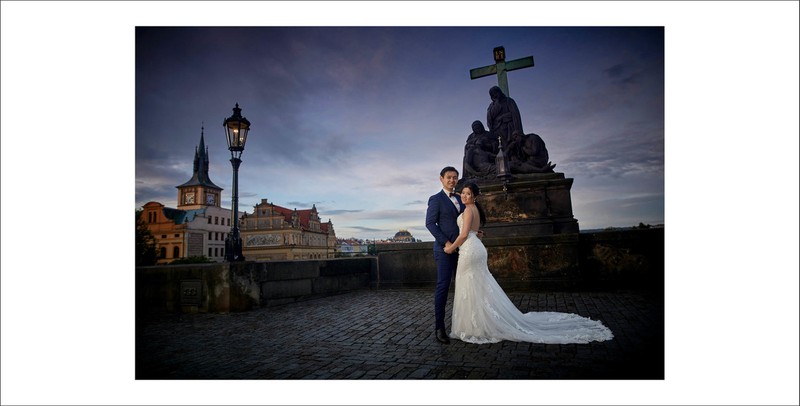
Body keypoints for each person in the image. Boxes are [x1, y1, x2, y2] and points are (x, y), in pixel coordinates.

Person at [444, 181, 613, 344]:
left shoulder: (468, 210)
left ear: (474, 196)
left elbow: (465, 234)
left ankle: (475, 327)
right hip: (477, 247)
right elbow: (475, 232)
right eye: (464, 193)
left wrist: (451, 248)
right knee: (477, 286)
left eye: (468, 194)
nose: (465, 196)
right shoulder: (474, 209)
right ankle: (478, 324)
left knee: (469, 285)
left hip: (470, 249)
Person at [425, 166, 464, 344]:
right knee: (443, 287)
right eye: (449, 177)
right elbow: (430, 224)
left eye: (455, 177)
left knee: (464, 286)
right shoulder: (436, 199)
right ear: (441, 178)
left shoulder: (461, 198)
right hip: (444, 251)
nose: (452, 180)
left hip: (463, 249)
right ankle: (439, 327)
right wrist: (446, 243)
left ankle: (465, 325)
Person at [486, 86, 523, 150]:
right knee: (500, 147)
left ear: (499, 92)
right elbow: (490, 118)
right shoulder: (491, 106)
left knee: (511, 146)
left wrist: (518, 130)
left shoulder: (509, 101)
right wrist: (497, 103)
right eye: (493, 94)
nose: (495, 95)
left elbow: (515, 115)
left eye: (496, 93)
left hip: (509, 128)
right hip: (497, 130)